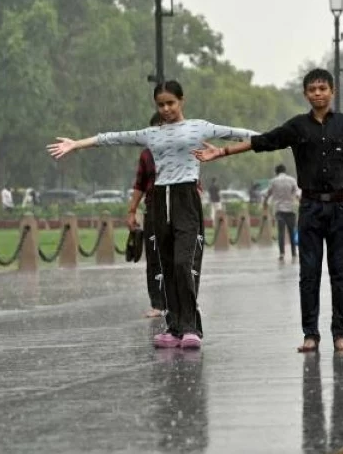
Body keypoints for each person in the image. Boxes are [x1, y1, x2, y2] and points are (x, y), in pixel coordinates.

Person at [195, 68, 343, 353]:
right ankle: (310, 335)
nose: (318, 93)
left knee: (340, 274)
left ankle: (339, 334)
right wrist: (222, 152)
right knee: (309, 273)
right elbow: (263, 141)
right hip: (310, 208)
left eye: (323, 88)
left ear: (332, 92)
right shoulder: (297, 127)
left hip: (341, 207)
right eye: (312, 89)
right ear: (305, 94)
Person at [48, 80, 258, 350]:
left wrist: (284, 138)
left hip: (185, 198)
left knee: (184, 263)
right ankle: (174, 327)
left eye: (171, 103)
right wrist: (76, 144)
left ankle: (191, 327)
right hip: (159, 199)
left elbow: (237, 133)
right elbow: (112, 138)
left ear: (182, 100)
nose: (166, 109)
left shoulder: (199, 127)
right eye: (161, 105)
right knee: (166, 265)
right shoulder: (151, 134)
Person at [126, 112, 165, 318]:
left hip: (178, 210)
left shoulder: (182, 149)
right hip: (153, 210)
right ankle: (157, 303)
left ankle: (183, 301)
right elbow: (140, 184)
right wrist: (132, 210)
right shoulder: (146, 155)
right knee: (154, 259)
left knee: (180, 259)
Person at [264, 164, 302, 261]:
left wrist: (265, 204)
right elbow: (298, 193)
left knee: (281, 232)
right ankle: (293, 252)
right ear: (285, 171)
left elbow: (267, 194)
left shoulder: (273, 181)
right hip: (291, 209)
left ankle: (282, 253)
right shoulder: (292, 180)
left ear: (276, 172)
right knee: (291, 231)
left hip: (279, 210)